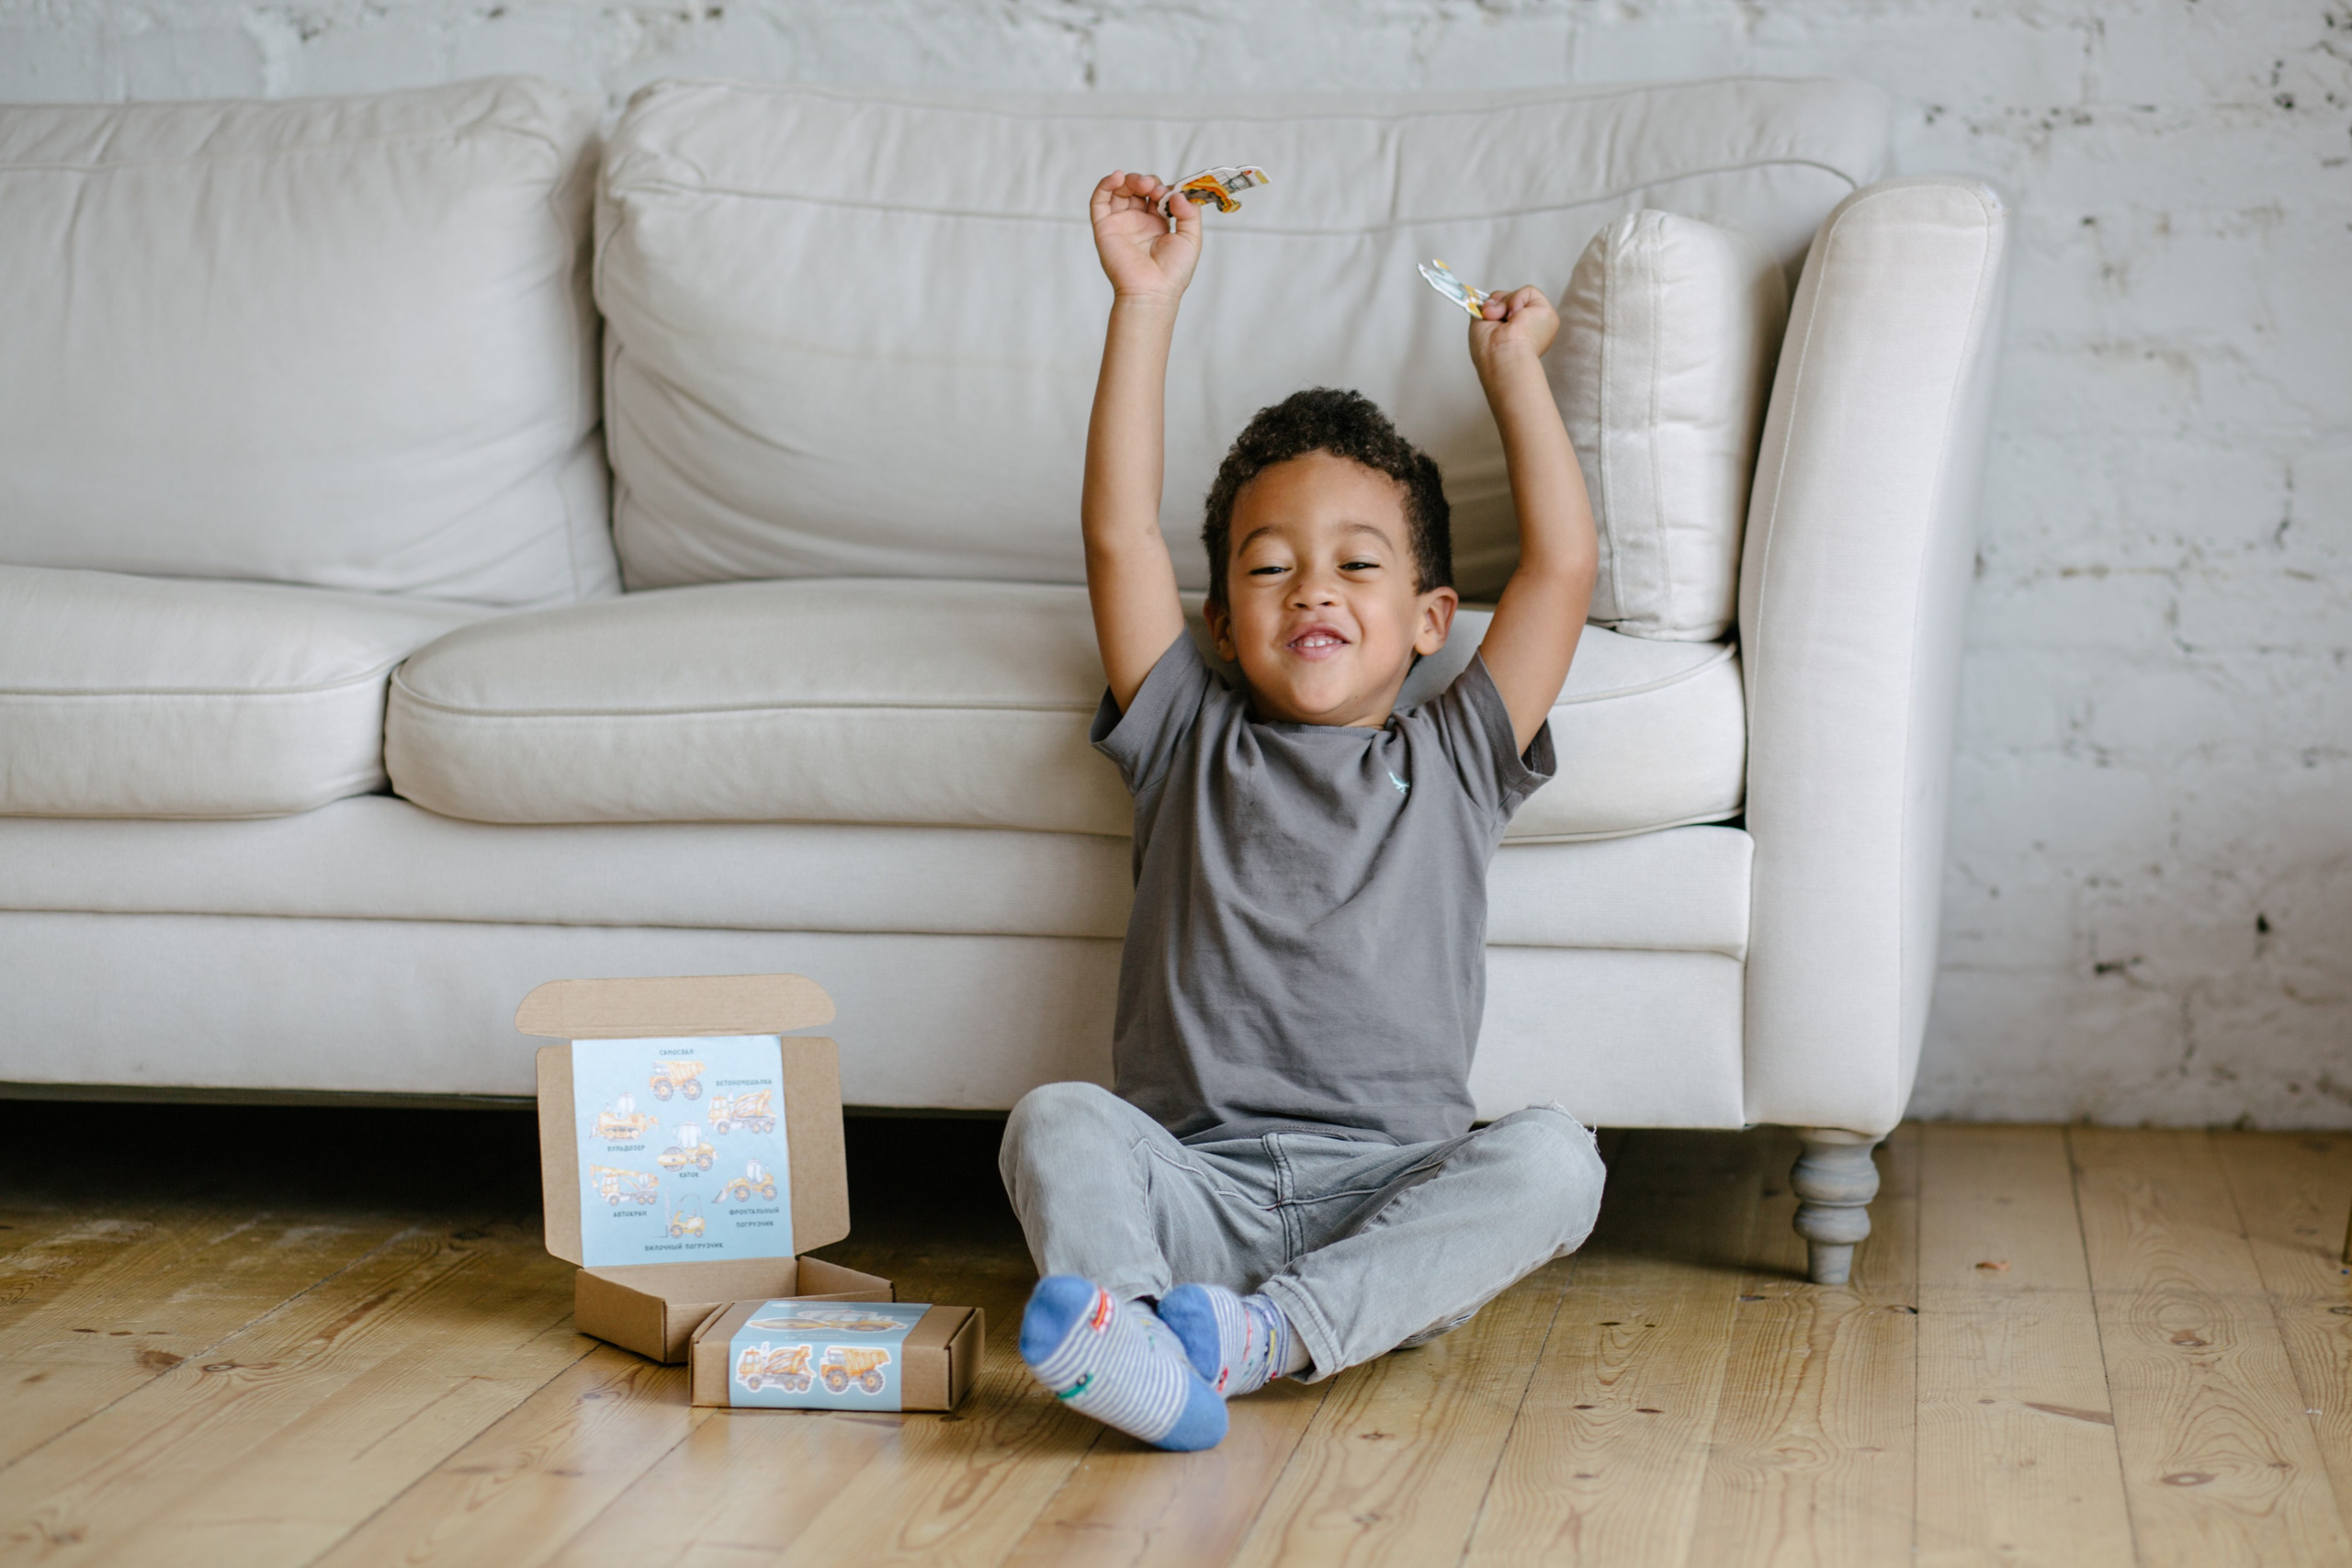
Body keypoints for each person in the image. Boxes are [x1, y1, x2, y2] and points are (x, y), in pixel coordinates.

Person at [1001, 169, 1608, 1451]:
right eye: (1269, 568)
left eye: (1355, 566)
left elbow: (1562, 565)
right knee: (1053, 1122)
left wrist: (1515, 375)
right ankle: (1145, 1341)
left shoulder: (1457, 751)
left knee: (1560, 1160)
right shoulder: (1186, 729)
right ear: (1220, 619)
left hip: (1393, 1204)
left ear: (1430, 621)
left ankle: (1264, 1337)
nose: (1310, 591)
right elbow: (1118, 536)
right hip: (1196, 1187)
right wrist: (1145, 302)